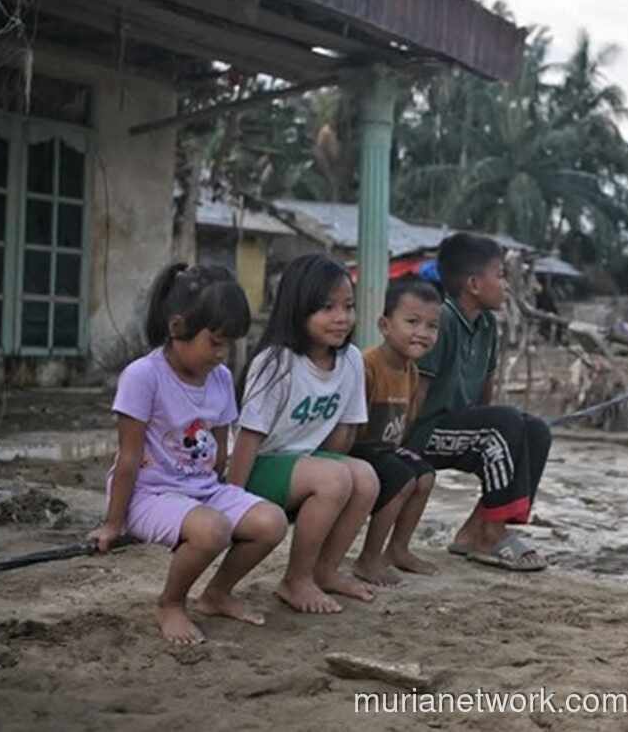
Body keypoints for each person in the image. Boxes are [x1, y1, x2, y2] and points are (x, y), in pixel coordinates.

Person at [89, 264, 288, 646]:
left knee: (271, 521)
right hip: (150, 495)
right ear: (178, 327)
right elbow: (128, 459)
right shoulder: (143, 376)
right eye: (214, 342)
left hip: (202, 490)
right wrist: (113, 524)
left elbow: (220, 445)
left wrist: (231, 498)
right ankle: (171, 603)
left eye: (229, 344)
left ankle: (216, 594)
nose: (222, 354)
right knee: (212, 529)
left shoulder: (221, 378)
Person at [230, 254, 378, 614]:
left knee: (365, 477)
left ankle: (325, 571)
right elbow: (248, 438)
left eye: (348, 306)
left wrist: (333, 468)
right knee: (334, 479)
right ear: (298, 308)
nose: (341, 318)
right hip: (257, 465)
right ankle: (295, 580)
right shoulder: (276, 362)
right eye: (327, 308)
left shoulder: (351, 360)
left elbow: (344, 432)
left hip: (301, 464)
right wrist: (229, 499)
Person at [407, 233, 551, 572]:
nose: (505, 285)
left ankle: (476, 530)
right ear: (474, 283)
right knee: (505, 423)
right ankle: (491, 535)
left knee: (535, 430)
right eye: (499, 275)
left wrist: (498, 423)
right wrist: (401, 446)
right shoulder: (441, 321)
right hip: (424, 430)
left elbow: (486, 388)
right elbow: (418, 389)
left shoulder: (486, 324)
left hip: (460, 426)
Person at [349, 279, 443, 585]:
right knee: (400, 477)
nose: (422, 333)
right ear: (385, 325)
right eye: (412, 322)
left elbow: (407, 422)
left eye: (431, 326)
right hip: (359, 448)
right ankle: (368, 559)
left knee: (425, 475)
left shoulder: (412, 371)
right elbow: (350, 425)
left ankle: (398, 549)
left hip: (385, 449)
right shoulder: (367, 366)